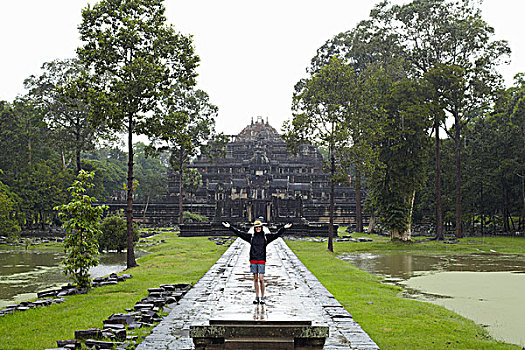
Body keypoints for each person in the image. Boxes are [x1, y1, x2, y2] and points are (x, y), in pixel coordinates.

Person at [222, 220, 292, 304]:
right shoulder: (251, 237)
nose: (258, 228)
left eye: (259, 227)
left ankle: (262, 297)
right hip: (253, 259)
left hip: (261, 259)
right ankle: (257, 296)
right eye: (256, 227)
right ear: (254, 228)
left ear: (261, 227)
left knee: (261, 279)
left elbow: (276, 234)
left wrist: (284, 228)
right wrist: (230, 227)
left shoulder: (266, 237)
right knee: (255, 279)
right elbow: (239, 233)